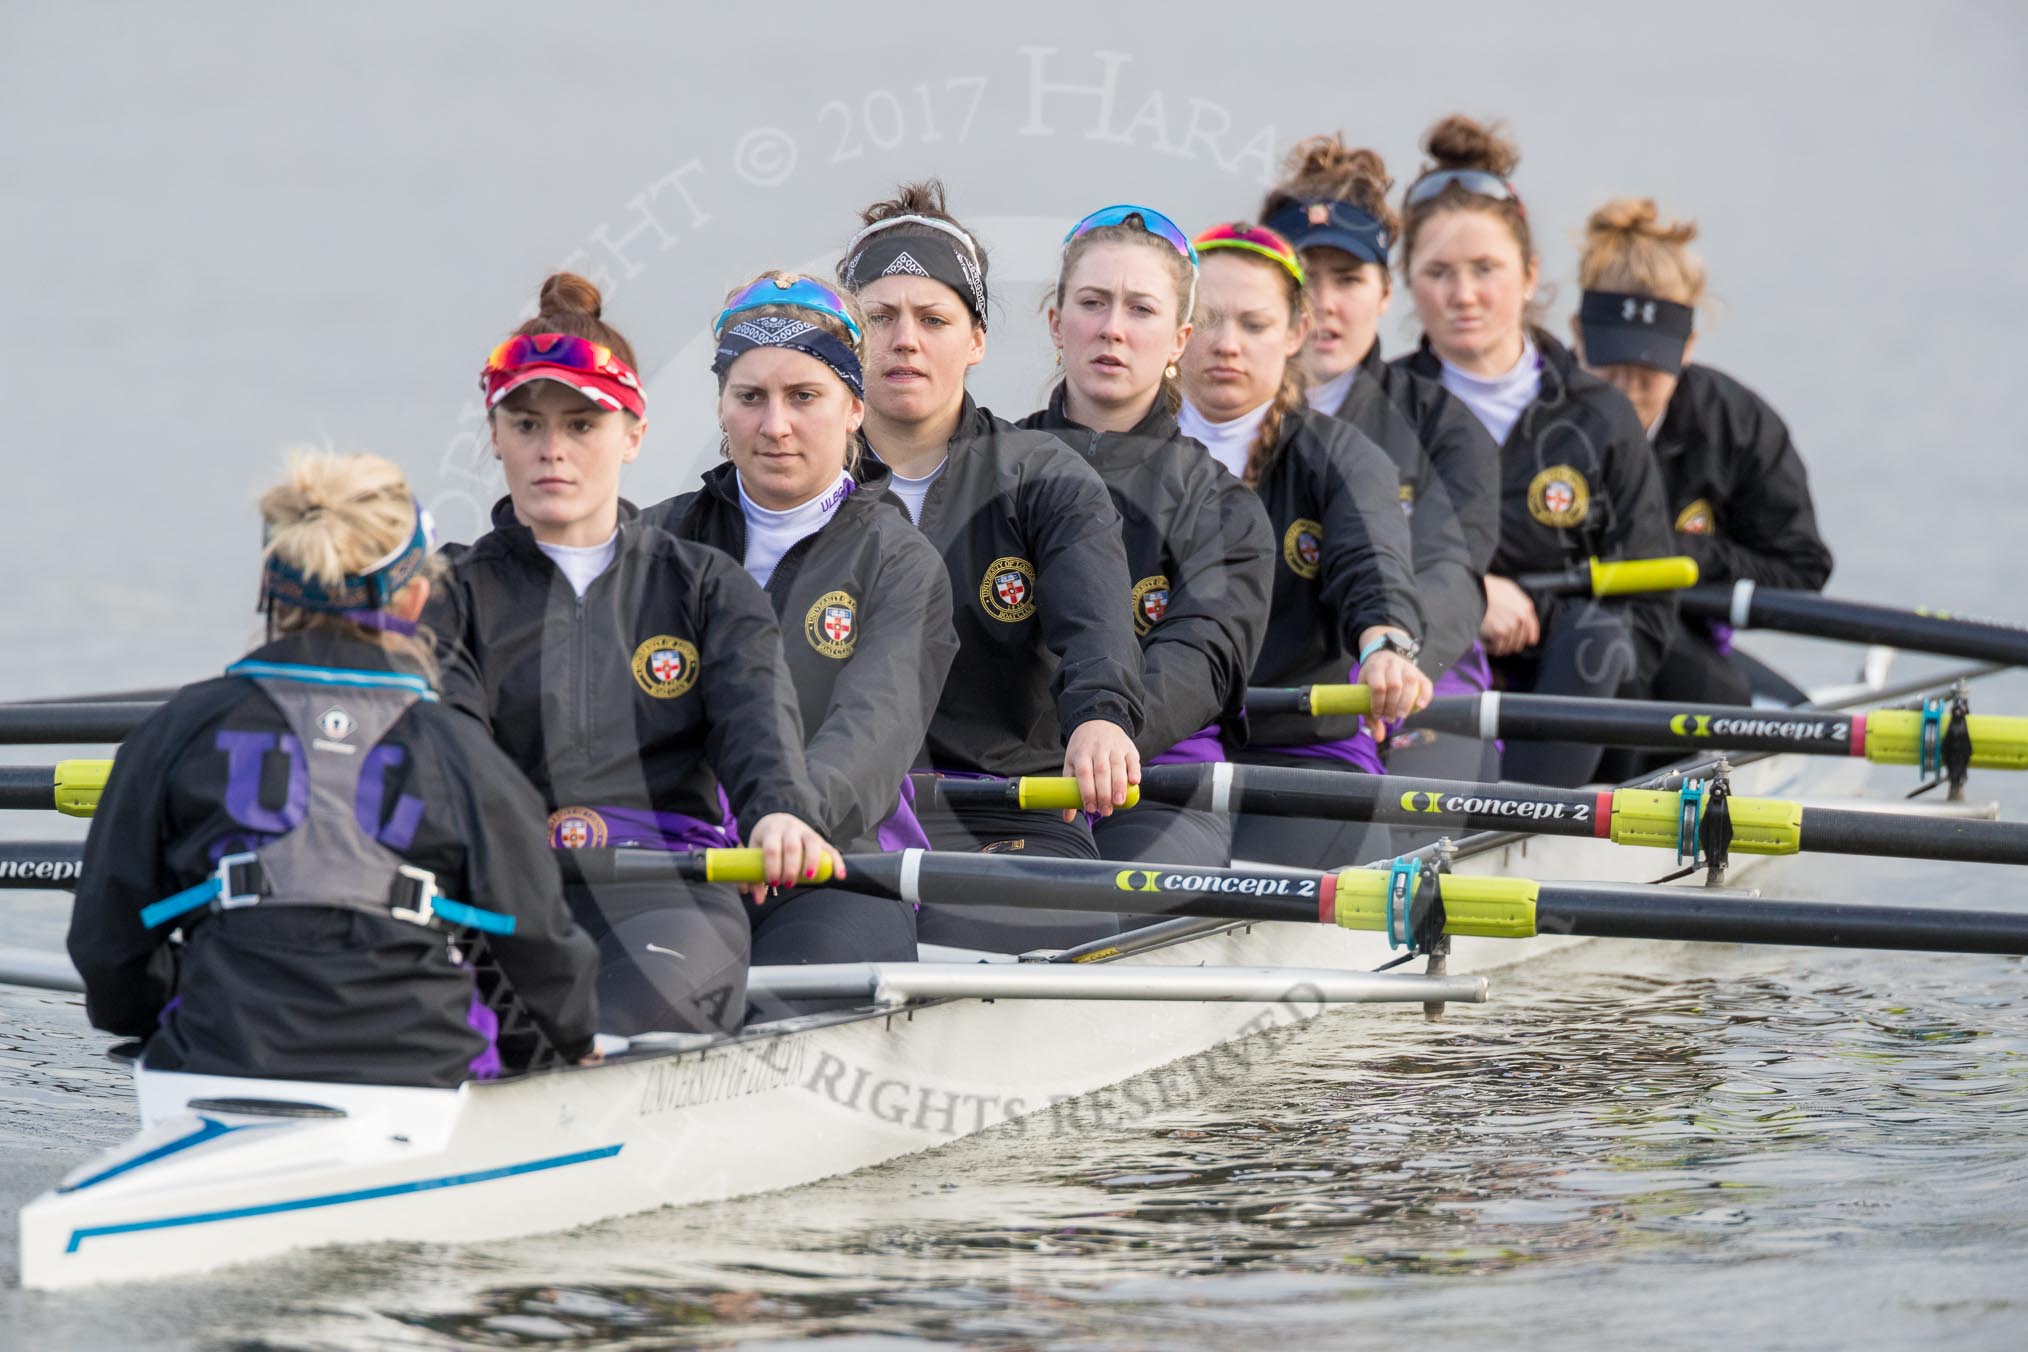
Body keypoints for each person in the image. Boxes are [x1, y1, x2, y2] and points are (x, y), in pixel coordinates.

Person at [68, 450, 600, 1088]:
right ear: (415, 602)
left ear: (272, 589)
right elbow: (537, 949)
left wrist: (162, 1019)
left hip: (217, 1060)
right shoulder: (461, 753)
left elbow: (107, 947)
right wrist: (568, 1048)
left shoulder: (175, 731)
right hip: (418, 1075)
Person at [429, 272, 841, 1037]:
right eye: (526, 425)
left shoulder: (702, 586)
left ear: (634, 434)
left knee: (601, 1027)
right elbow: (455, 753)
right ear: (494, 437)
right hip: (500, 891)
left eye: (582, 424)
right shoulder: (452, 596)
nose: (552, 450)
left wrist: (780, 814)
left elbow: (757, 726)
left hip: (671, 891)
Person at [836, 180, 1147, 952]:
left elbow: (1096, 626)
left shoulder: (1044, 477)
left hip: (1010, 811)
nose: (904, 339)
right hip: (841, 815)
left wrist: (1103, 717)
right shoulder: (796, 486)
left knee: (1002, 924)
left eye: (933, 319)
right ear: (845, 338)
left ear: (974, 340)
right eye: (879, 318)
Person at [649, 271, 958, 996]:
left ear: (855, 406)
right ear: (722, 407)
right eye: (750, 397)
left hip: (836, 865)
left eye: (804, 397)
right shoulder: (653, 543)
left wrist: (782, 816)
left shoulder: (900, 562)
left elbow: (872, 730)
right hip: (680, 860)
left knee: (794, 994)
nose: (775, 424)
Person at [1394, 116, 1677, 787]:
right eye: (1438, 272)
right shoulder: (1381, 410)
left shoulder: (1599, 417)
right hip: (1422, 680)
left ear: (1529, 274)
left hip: (1567, 694)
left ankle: (1524, 820)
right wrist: (1465, 597)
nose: (1463, 295)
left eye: (1485, 269)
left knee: (1601, 636)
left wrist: (1542, 618)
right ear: (1406, 282)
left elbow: (1653, 612)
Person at [1020, 205, 1275, 871]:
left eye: (1140, 310)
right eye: (1093, 303)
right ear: (1057, 323)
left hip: (1156, 778)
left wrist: (1101, 732)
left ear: (1179, 341)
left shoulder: (1225, 508)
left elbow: (1203, 655)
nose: (1112, 329)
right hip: (1002, 772)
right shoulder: (984, 469)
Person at [1179, 221, 1428, 871]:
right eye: (1207, 320)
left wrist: (1385, 644)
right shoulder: (1128, 453)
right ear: (1178, 330)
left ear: (1295, 334)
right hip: (1155, 745)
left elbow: (1371, 561)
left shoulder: (1341, 456)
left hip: (1302, 742)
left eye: (1254, 325)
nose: (1227, 345)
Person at [1261, 134, 1500, 784]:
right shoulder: (1215, 420)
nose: (1327, 303)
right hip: (1273, 687)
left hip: (1419, 675)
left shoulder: (1442, 425)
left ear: (1385, 292)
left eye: (1350, 279)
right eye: (1305, 277)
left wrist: (1394, 660)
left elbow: (1452, 569)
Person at [1573, 198, 1834, 706]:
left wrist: (1678, 553)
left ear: (1687, 347)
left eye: (1647, 373)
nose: (1626, 392)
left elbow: (1801, 570)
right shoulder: (1536, 411)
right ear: (1577, 335)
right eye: (1609, 370)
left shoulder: (1737, 425)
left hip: (1681, 638)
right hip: (1553, 634)